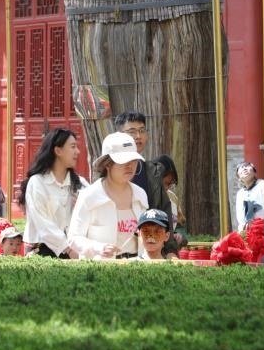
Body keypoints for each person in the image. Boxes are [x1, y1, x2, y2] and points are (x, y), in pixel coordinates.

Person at [68, 132, 148, 259]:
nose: (130, 166)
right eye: (123, 161)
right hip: (101, 267)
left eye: (133, 160)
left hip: (136, 265)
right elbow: (73, 238)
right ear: (107, 164)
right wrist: (99, 248)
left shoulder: (140, 194)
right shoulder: (89, 196)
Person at [113, 111, 177, 254]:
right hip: (114, 251)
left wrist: (170, 250)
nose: (138, 136)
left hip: (148, 251)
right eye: (132, 132)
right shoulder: (109, 173)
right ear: (119, 135)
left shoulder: (154, 172)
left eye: (142, 130)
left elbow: (164, 213)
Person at [22, 128, 86, 258]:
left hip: (75, 249)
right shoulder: (37, 182)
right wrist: (68, 250)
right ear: (58, 151)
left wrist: (82, 206)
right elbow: (43, 224)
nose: (77, 151)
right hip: (44, 251)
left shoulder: (80, 183)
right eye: (73, 147)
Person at [154, 154, 188, 249]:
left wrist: (180, 235)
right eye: (163, 183)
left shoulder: (173, 198)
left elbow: (180, 224)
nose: (166, 187)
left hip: (170, 251)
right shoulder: (145, 197)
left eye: (170, 184)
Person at [234, 162, 264, 232]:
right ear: (238, 176)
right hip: (246, 231)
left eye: (247, 166)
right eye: (241, 167)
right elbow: (240, 215)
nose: (244, 168)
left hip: (262, 228)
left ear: (254, 172)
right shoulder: (240, 193)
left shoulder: (263, 185)